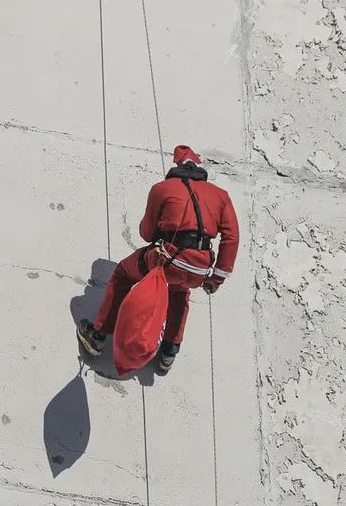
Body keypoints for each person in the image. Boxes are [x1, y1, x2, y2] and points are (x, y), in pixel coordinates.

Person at [77, 145, 239, 373]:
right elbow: (232, 237)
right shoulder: (221, 196)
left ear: (177, 166)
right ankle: (169, 352)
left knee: (123, 273)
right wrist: (217, 277)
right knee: (180, 292)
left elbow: (147, 233)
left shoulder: (162, 189)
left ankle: (98, 335)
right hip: (199, 270)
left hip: (167, 260)